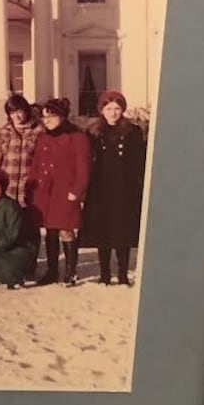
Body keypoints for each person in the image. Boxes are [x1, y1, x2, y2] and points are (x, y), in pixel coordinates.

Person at [80, 90, 147, 285]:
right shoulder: (92, 131)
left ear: (123, 110)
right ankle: (105, 274)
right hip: (100, 188)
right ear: (102, 110)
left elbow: (139, 160)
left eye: (117, 108)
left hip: (125, 188)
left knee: (122, 232)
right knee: (103, 231)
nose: (113, 113)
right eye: (109, 108)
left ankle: (123, 274)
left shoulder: (132, 131)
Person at [28, 97, 90, 286]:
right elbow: (36, 165)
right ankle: (52, 271)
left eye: (51, 116)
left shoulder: (77, 138)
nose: (47, 121)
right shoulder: (43, 137)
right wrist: (31, 187)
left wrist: (76, 191)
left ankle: (70, 273)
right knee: (51, 230)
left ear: (62, 116)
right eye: (44, 117)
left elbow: (84, 169)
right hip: (45, 192)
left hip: (65, 192)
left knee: (66, 229)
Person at [0, 93, 42, 205]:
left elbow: (43, 163)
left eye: (19, 112)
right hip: (8, 189)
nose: (16, 116)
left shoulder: (39, 132)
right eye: (12, 113)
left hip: (30, 188)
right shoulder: (3, 133)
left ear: (26, 111)